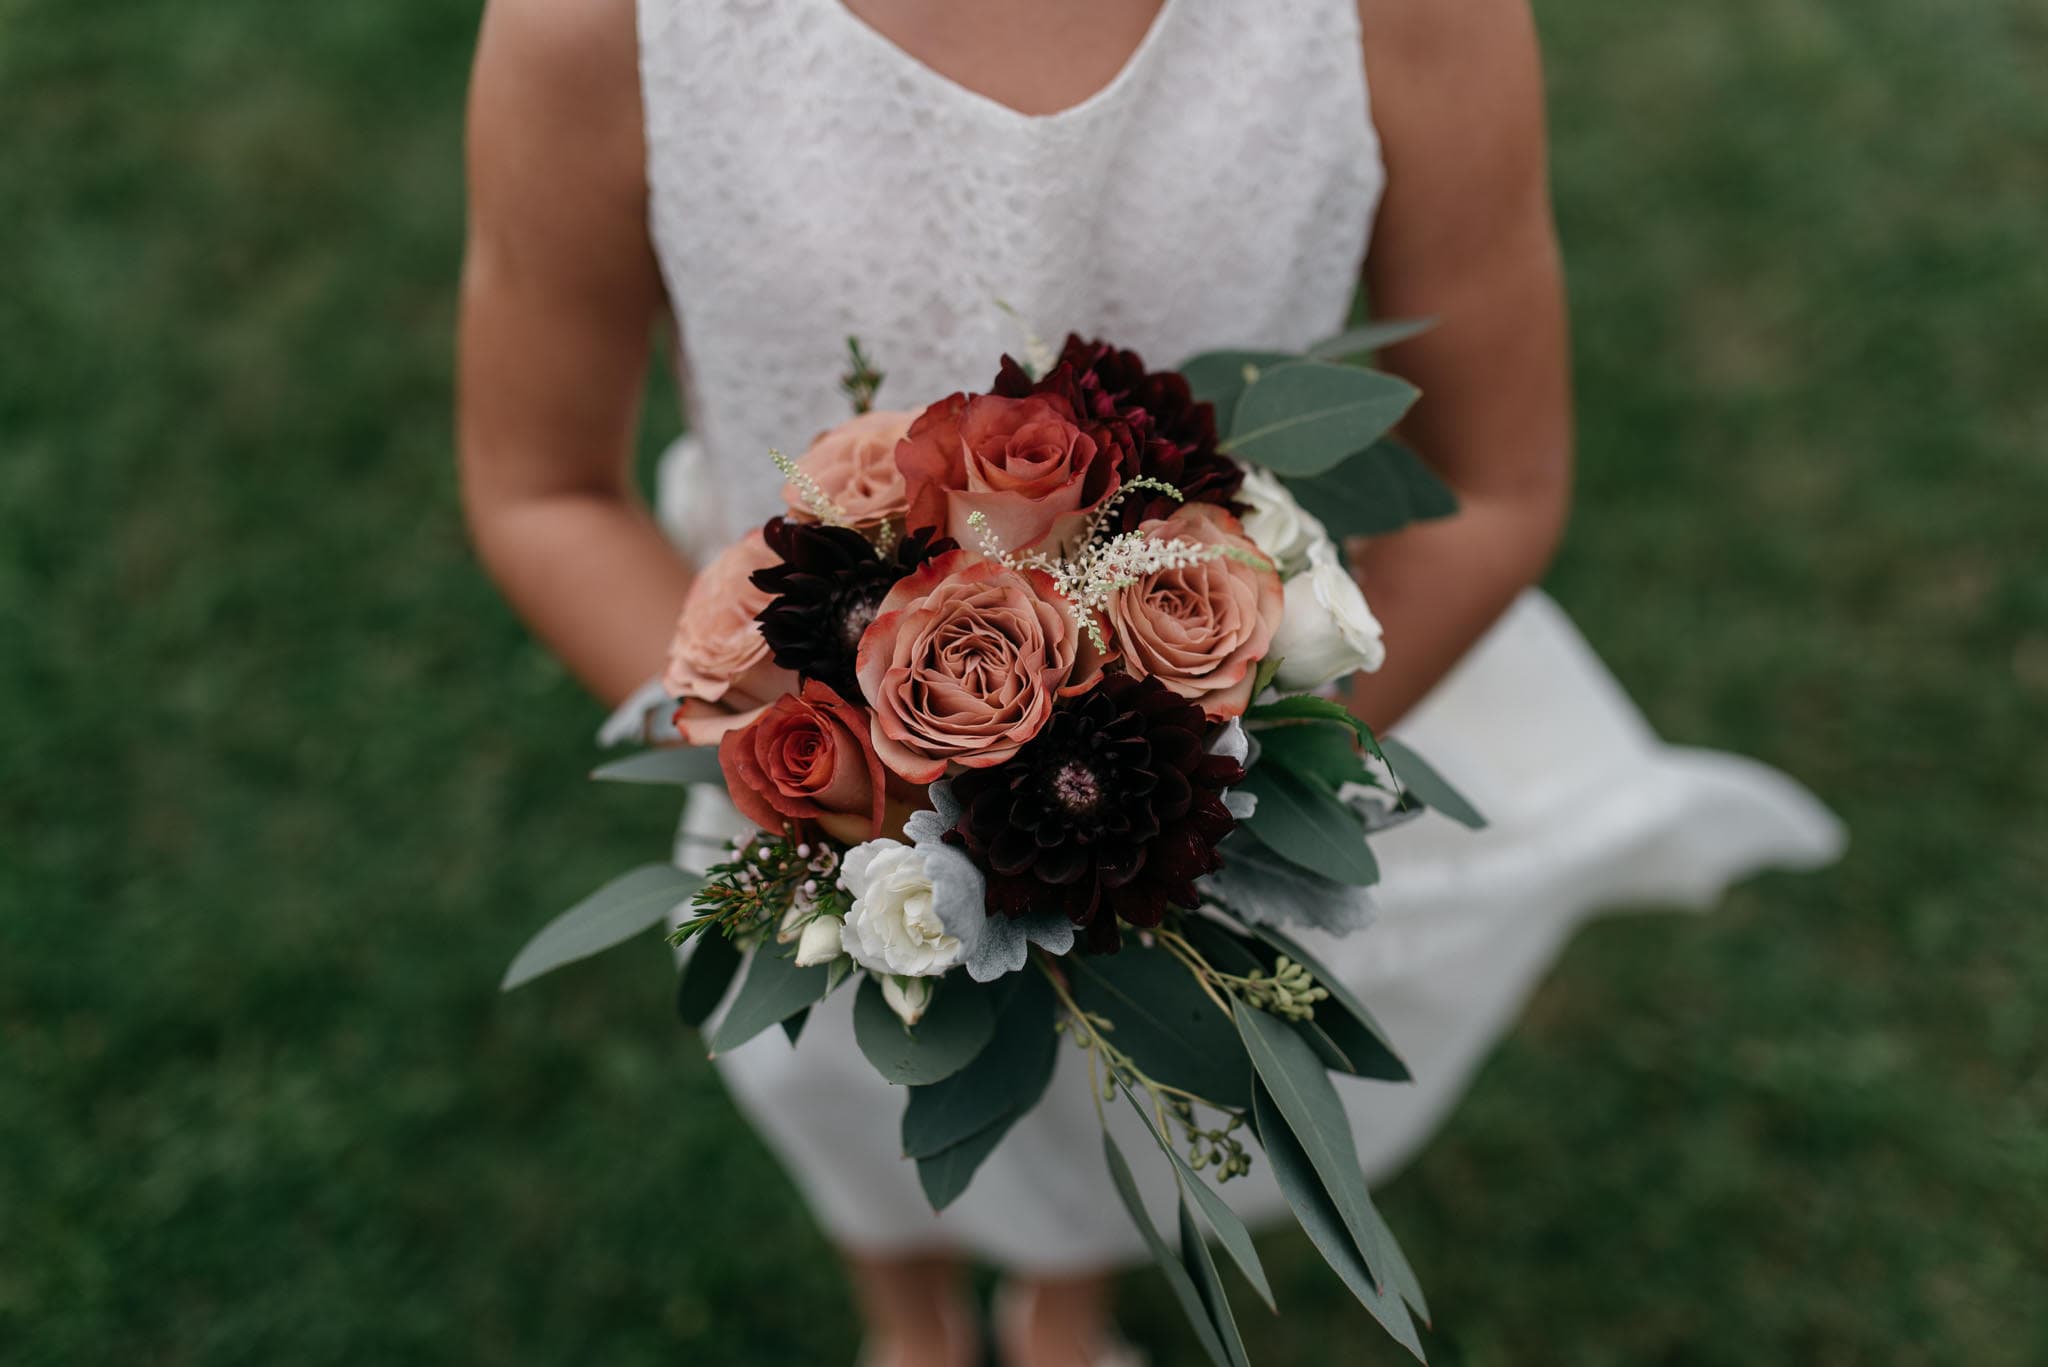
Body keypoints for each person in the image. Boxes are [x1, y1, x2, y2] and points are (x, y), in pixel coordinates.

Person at [457, 2, 1844, 1363]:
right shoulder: (605, 27)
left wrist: (1185, 799)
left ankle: (1065, 1306)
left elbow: (1497, 484)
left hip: (1200, 806)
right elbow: (541, 484)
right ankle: (910, 1316)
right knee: (856, 1082)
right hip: (825, 787)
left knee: (1127, 1095)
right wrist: (836, 781)